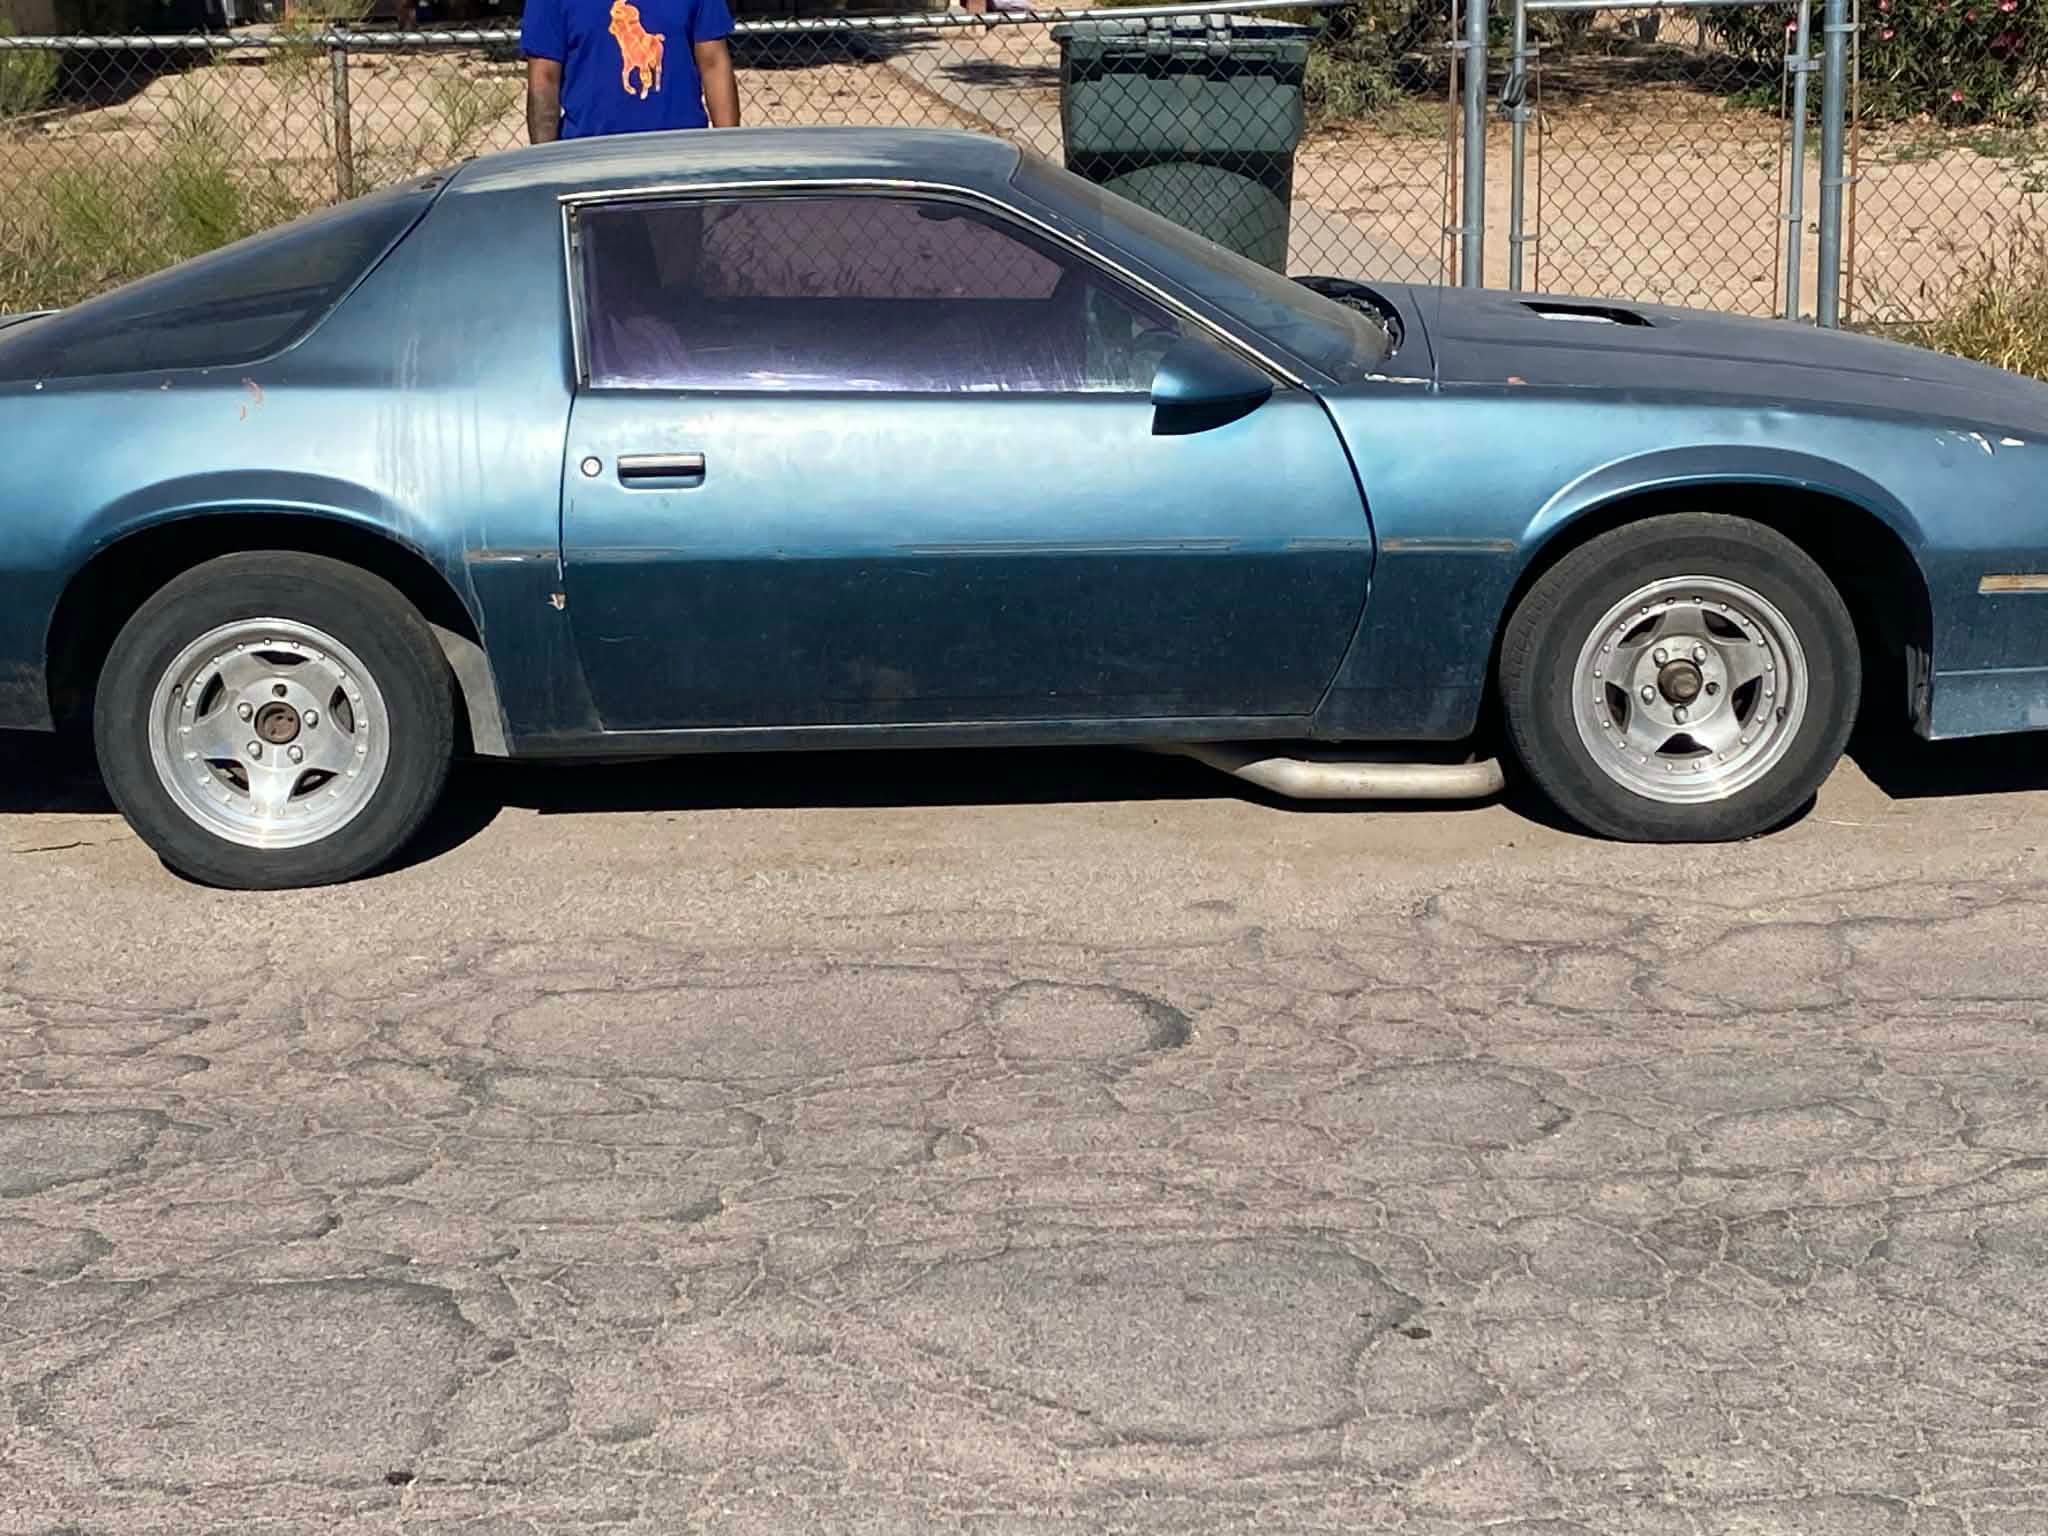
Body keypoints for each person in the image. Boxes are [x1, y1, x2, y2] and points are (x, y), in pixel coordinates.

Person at [522, 0, 740, 144]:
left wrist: (729, 155)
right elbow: (544, 81)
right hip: (590, 158)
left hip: (680, 154)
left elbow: (714, 64)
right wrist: (545, 168)